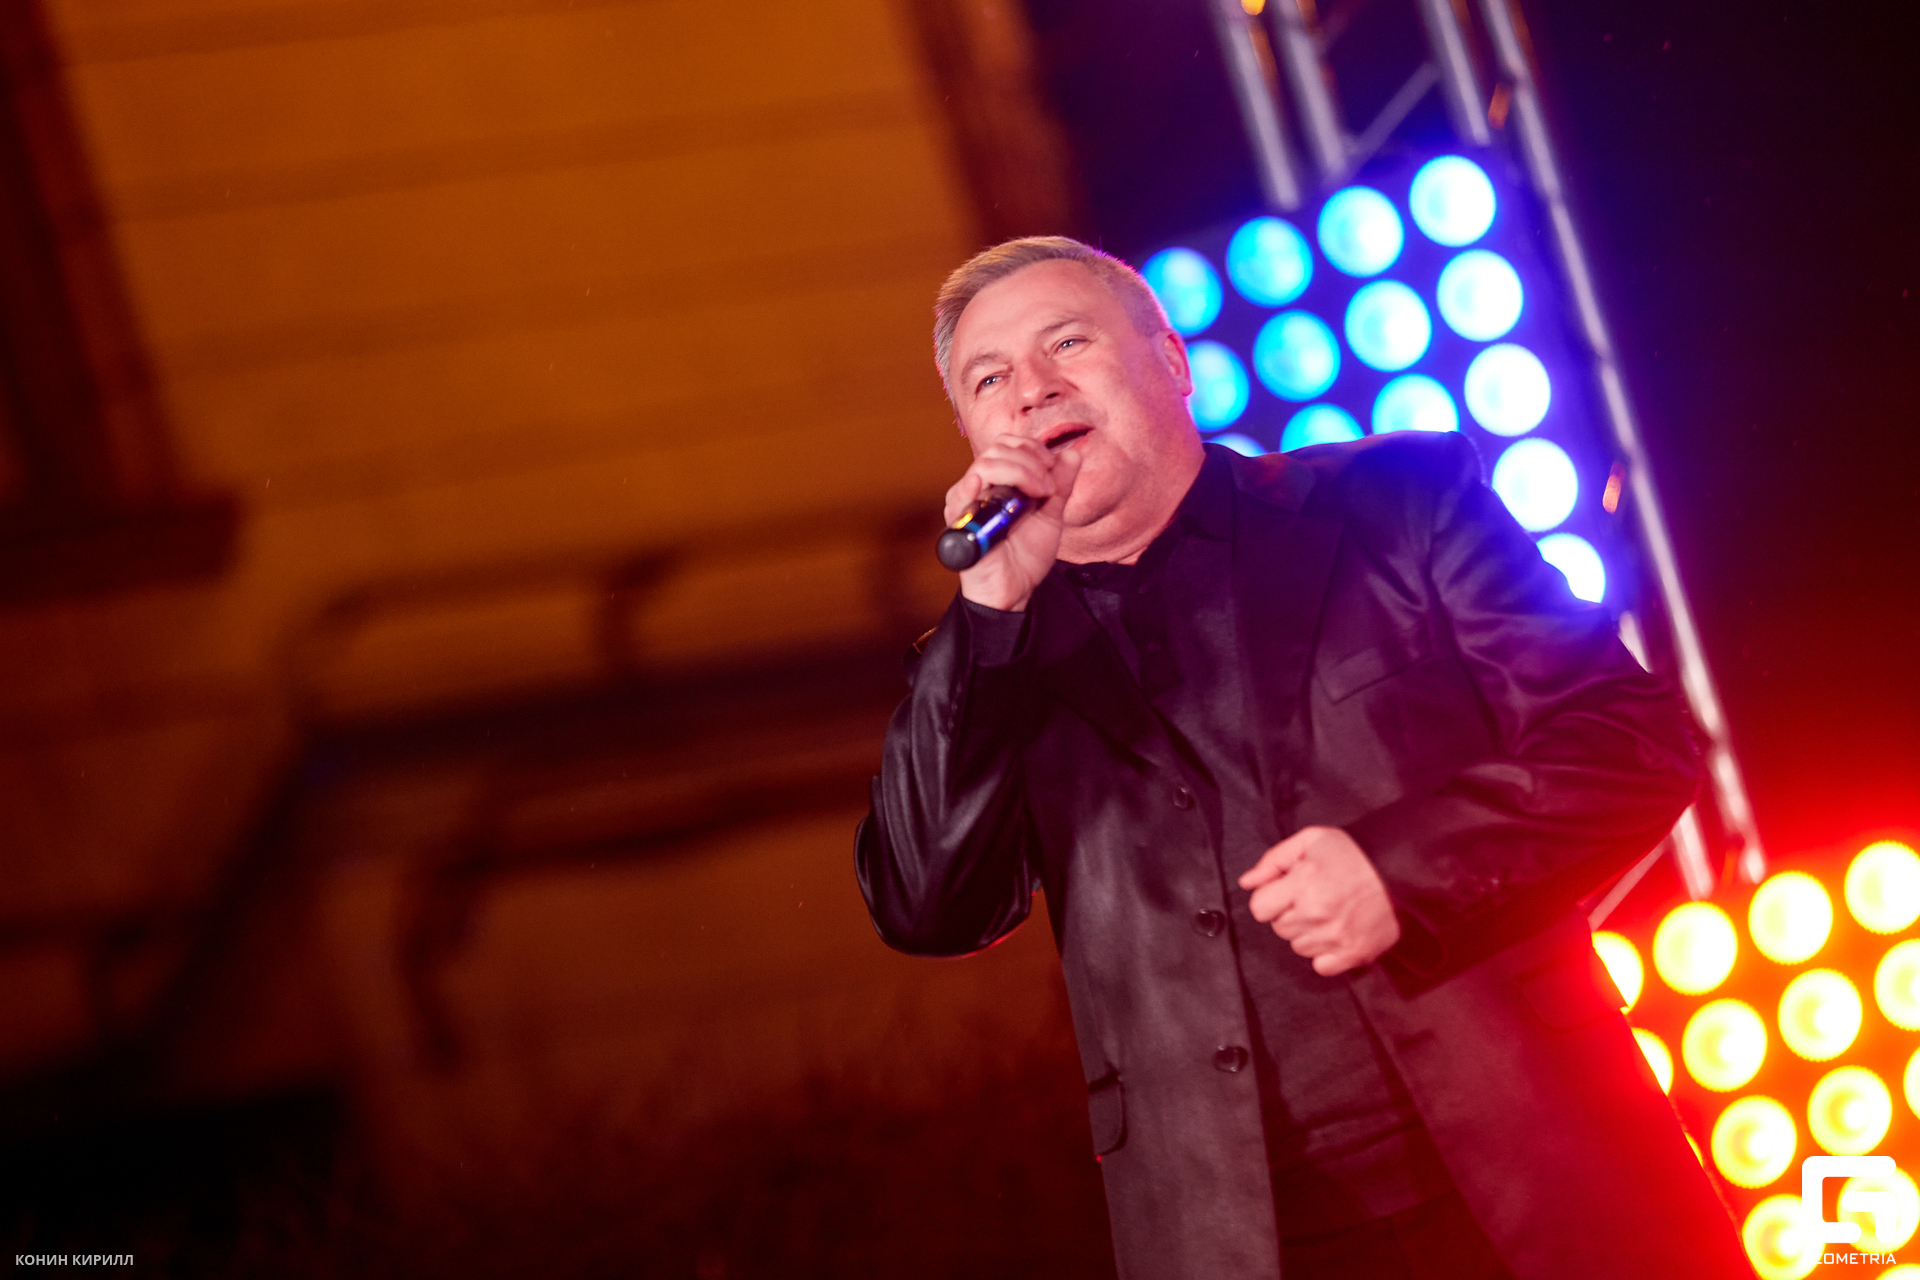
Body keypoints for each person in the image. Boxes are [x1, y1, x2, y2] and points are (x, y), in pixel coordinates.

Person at [854, 237, 1749, 1280]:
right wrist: (989, 619)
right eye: (989, 379)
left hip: (1544, 1178)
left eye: (1067, 343)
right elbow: (929, 907)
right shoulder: (990, 661)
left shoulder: (1394, 500)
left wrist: (1401, 872)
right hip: (1244, 1241)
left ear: (1171, 362)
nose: (1031, 389)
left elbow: (1631, 738)